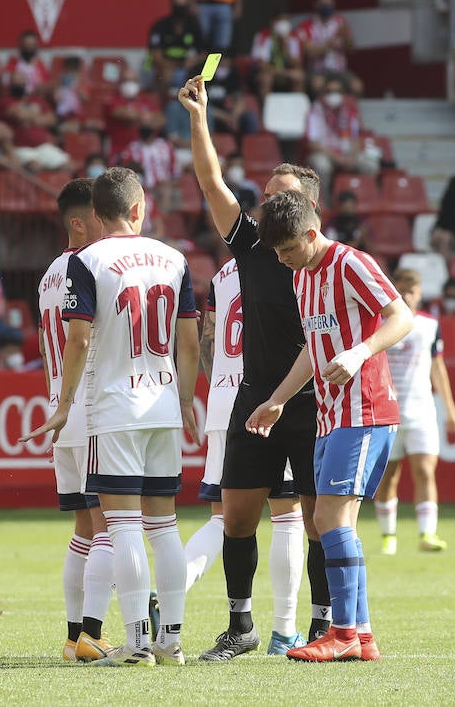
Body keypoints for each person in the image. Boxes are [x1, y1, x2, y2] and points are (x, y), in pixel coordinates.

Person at [176, 74, 333, 660]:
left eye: (282, 196)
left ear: (310, 207)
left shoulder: (331, 259)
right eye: (267, 195)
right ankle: (240, 628)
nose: (270, 203)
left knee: (318, 519)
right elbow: (210, 179)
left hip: (312, 403)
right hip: (253, 398)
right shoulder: (251, 244)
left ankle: (322, 628)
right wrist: (199, 117)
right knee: (237, 516)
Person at [22, 167, 200, 667]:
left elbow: (76, 338)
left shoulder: (88, 260)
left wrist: (62, 403)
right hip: (163, 404)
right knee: (165, 527)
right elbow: (189, 341)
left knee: (119, 527)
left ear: (96, 216)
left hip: (114, 407)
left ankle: (137, 642)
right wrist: (185, 399)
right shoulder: (174, 258)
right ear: (140, 209)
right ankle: (172, 640)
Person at [250, 188, 413, 663]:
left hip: (364, 411)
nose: (282, 261)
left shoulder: (351, 263)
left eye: (287, 250)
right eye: (276, 253)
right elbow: (312, 347)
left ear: (311, 232)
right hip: (330, 414)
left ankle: (340, 633)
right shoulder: (303, 277)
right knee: (334, 523)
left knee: (326, 520)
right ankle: (360, 635)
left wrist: (361, 350)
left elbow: (402, 316)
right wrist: (278, 399)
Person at [186, 257, 307, 656]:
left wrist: (221, 387)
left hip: (226, 401)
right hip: (273, 397)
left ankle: (168, 588)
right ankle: (285, 631)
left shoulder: (225, 272)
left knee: (224, 517)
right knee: (288, 514)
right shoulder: (292, 264)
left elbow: (208, 339)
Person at [36, 178, 115, 661]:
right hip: (84, 406)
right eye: (101, 219)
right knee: (108, 526)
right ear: (79, 222)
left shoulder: (47, 273)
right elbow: (81, 339)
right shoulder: (86, 266)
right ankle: (91, 632)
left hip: (58, 410)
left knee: (85, 530)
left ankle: (74, 637)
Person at [373, 269, 455, 556]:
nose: (407, 295)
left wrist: (449, 407)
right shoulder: (380, 324)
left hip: (422, 410)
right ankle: (389, 535)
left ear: (420, 292)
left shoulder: (429, 326)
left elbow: (438, 367)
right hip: (388, 412)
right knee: (389, 478)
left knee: (425, 471)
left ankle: (427, 533)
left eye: (412, 290)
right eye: (402, 290)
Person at [294, 0, 361, 98]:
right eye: (324, 3)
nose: (327, 6)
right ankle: (320, 114)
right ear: (316, 4)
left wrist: (347, 38)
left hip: (339, 72)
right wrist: (332, 40)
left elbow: (351, 50)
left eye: (330, 3)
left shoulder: (341, 22)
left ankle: (349, 114)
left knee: (356, 86)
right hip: (317, 72)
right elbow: (311, 53)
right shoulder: (306, 26)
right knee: (317, 84)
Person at [145, 0, 205, 92]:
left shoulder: (194, 26)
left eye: (183, 5)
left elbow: (203, 52)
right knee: (165, 75)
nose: (180, 9)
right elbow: (156, 56)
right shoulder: (160, 26)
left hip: (188, 67)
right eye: (177, 5)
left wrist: (193, 61)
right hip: (163, 67)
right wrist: (176, 66)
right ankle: (163, 106)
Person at [250, 12, 305, 100]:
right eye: (281, 20)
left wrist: (286, 49)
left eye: (286, 20)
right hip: (269, 72)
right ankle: (266, 109)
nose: (283, 23)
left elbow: (297, 64)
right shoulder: (263, 36)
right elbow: (262, 65)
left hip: (285, 72)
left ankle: (296, 109)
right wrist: (280, 72)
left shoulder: (294, 37)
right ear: (273, 22)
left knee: (299, 76)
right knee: (266, 79)